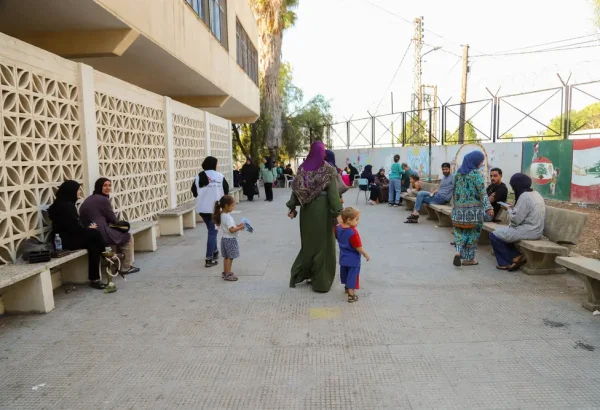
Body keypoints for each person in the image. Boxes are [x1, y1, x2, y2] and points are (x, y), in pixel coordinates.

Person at [287, 141, 343, 293]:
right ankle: (321, 283)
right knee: (323, 247)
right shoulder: (328, 170)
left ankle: (304, 273)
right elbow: (333, 195)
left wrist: (292, 207)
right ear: (323, 152)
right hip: (323, 212)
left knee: (309, 244)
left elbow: (296, 190)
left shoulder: (302, 168)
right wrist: (338, 213)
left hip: (307, 213)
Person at [48, 180, 106, 290]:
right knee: (94, 234)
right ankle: (107, 255)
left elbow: (74, 225)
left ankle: (96, 277)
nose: (80, 192)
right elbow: (75, 229)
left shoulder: (61, 203)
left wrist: (87, 228)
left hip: (66, 238)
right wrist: (89, 228)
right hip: (64, 241)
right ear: (71, 191)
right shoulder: (67, 206)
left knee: (93, 243)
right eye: (78, 190)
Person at [80, 178, 140, 275]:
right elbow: (113, 219)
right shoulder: (103, 199)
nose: (108, 188)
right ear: (99, 186)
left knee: (116, 237)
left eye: (109, 185)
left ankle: (116, 265)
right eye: (105, 185)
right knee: (127, 236)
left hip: (91, 232)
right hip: (101, 232)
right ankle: (125, 267)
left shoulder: (90, 198)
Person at [491, 173, 546, 271]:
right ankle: (516, 256)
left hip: (529, 231)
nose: (513, 189)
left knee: (495, 235)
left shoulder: (525, 196)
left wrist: (508, 209)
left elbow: (516, 220)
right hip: (535, 230)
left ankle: (508, 261)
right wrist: (513, 208)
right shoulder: (535, 194)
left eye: (513, 187)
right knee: (504, 232)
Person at [451, 151, 494, 267]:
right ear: (475, 161)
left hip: (458, 212)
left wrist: (454, 207)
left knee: (460, 233)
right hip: (474, 212)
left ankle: (458, 251)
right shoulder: (476, 174)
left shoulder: (457, 174)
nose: (481, 163)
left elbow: (453, 191)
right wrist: (488, 207)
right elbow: (482, 193)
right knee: (472, 234)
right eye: (480, 161)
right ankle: (469, 259)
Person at [191, 156, 229, 268]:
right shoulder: (219, 176)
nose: (217, 166)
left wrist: (204, 196)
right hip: (215, 209)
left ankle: (215, 251)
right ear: (213, 164)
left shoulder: (199, 176)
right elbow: (226, 191)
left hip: (203, 209)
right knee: (213, 232)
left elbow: (194, 192)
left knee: (211, 230)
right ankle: (209, 258)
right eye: (217, 163)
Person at [335, 207, 370, 303]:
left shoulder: (337, 228)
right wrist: (365, 254)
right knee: (352, 275)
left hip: (343, 256)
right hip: (353, 258)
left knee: (345, 272)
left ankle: (346, 287)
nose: (357, 222)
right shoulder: (353, 232)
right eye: (356, 220)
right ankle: (351, 295)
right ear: (349, 220)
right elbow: (358, 246)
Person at [213, 195, 245, 281]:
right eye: (232, 205)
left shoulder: (222, 215)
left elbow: (229, 227)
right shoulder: (228, 217)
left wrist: (238, 226)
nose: (233, 207)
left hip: (224, 239)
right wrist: (240, 227)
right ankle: (228, 274)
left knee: (226, 257)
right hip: (230, 239)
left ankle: (226, 272)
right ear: (226, 206)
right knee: (230, 257)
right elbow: (231, 230)